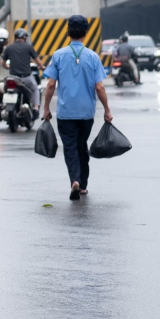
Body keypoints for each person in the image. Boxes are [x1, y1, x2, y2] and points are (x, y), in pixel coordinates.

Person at [42, 16, 112, 200]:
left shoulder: (58, 55)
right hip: (86, 113)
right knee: (82, 146)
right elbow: (100, 87)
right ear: (86, 33)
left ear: (67, 32)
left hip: (66, 113)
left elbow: (50, 85)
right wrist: (107, 110)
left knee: (70, 147)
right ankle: (83, 185)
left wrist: (46, 108)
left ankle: (74, 179)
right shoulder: (93, 57)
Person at [3, 27, 43, 111]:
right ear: (24, 37)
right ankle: (35, 108)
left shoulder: (9, 48)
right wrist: (41, 67)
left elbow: (3, 63)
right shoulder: (28, 47)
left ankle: (4, 105)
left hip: (13, 78)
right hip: (26, 78)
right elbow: (38, 62)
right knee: (35, 89)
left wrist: (7, 67)